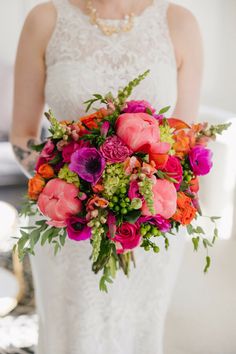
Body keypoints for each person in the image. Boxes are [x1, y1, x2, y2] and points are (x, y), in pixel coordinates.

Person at [10, 0, 203, 353]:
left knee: (139, 336)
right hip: (67, 227)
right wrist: (71, 190)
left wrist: (142, 193)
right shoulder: (45, 19)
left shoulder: (180, 23)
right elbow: (22, 134)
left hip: (147, 228)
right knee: (72, 336)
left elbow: (181, 139)